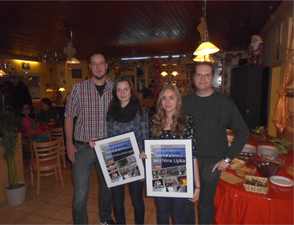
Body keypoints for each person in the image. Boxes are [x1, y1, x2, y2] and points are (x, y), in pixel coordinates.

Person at [182, 62, 250, 224]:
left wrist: (228, 159)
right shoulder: (185, 102)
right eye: (199, 74)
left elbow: (243, 131)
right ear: (194, 78)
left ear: (213, 77)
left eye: (207, 75)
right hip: (188, 161)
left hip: (212, 163)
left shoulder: (225, 103)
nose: (203, 78)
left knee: (205, 205)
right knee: (186, 203)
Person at [64, 52, 115, 225]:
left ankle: (105, 219)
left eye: (101, 63)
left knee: (107, 188)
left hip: (106, 148)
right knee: (80, 194)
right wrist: (69, 144)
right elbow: (69, 116)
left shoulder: (115, 90)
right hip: (83, 148)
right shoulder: (78, 88)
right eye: (94, 64)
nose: (98, 67)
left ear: (106, 66)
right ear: (90, 67)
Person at [90, 76, 148, 224]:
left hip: (135, 162)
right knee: (117, 201)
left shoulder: (140, 112)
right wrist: (98, 144)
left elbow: (144, 138)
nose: (122, 93)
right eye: (119, 90)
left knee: (137, 200)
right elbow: (108, 138)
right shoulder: (111, 112)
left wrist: (144, 165)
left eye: (126, 89)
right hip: (116, 162)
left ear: (131, 91)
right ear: (115, 92)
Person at [140, 84, 200, 224]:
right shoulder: (155, 121)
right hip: (160, 176)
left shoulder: (187, 122)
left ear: (178, 100)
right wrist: (145, 155)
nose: (167, 102)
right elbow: (152, 150)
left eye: (171, 98)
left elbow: (193, 155)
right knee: (162, 214)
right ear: (160, 101)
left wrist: (197, 186)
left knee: (179, 217)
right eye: (164, 98)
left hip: (181, 177)